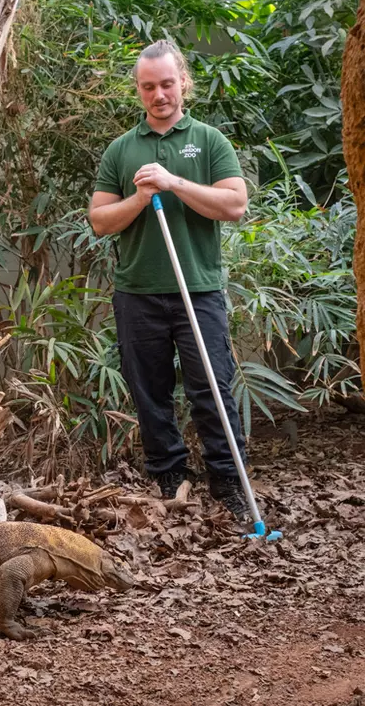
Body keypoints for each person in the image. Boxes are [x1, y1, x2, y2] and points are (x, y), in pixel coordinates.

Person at [89, 40, 251, 521]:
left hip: (198, 289)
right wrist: (140, 197)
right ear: (138, 90)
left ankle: (229, 483)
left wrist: (174, 182)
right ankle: (170, 479)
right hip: (137, 291)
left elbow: (235, 205)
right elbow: (99, 221)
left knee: (213, 389)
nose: (158, 94)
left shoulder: (209, 140)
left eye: (165, 83)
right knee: (151, 393)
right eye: (148, 87)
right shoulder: (121, 149)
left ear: (182, 81)